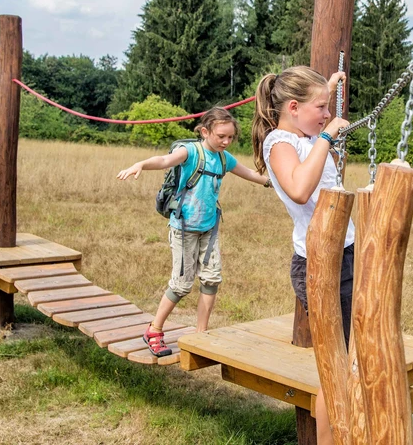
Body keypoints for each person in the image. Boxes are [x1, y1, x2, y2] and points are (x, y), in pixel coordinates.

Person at [251, 66, 354, 445]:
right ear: (293, 107)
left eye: (327, 108)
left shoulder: (303, 133)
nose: (327, 114)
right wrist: (327, 132)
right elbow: (298, 188)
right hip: (319, 264)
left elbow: (309, 119)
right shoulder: (280, 143)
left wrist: (326, 88)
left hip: (343, 253)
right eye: (321, 108)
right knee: (334, 366)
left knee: (347, 358)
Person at [117, 107, 270, 357]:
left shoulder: (224, 158)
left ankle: (201, 334)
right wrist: (141, 164)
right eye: (221, 136)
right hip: (184, 229)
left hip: (209, 229)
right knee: (181, 285)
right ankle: (154, 330)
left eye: (231, 137)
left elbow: (251, 175)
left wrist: (280, 182)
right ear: (205, 131)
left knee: (211, 280)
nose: (226, 141)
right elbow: (164, 161)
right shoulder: (191, 152)